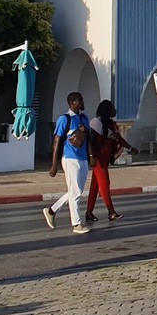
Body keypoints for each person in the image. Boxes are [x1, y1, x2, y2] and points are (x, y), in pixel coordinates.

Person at [44, 92, 92, 234]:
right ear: (73, 103)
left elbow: (89, 138)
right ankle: (76, 224)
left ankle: (51, 210)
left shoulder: (84, 118)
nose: (83, 103)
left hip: (83, 157)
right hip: (70, 157)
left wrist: (91, 155)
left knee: (76, 191)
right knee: (75, 191)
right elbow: (56, 143)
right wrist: (54, 165)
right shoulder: (64, 119)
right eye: (80, 100)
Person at [85, 99, 138, 223]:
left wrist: (131, 148)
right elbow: (90, 141)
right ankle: (111, 212)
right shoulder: (95, 123)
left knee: (95, 186)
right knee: (105, 183)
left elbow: (119, 140)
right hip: (97, 159)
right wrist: (92, 156)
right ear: (106, 110)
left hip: (105, 158)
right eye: (113, 108)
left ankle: (89, 213)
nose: (115, 110)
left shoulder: (112, 124)